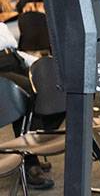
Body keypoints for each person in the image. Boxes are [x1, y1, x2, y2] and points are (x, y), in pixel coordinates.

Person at [0, 21, 63, 189]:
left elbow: (13, 52)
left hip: (16, 63)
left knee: (56, 84)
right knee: (28, 93)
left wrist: (40, 63)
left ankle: (37, 142)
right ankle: (30, 163)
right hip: (2, 70)